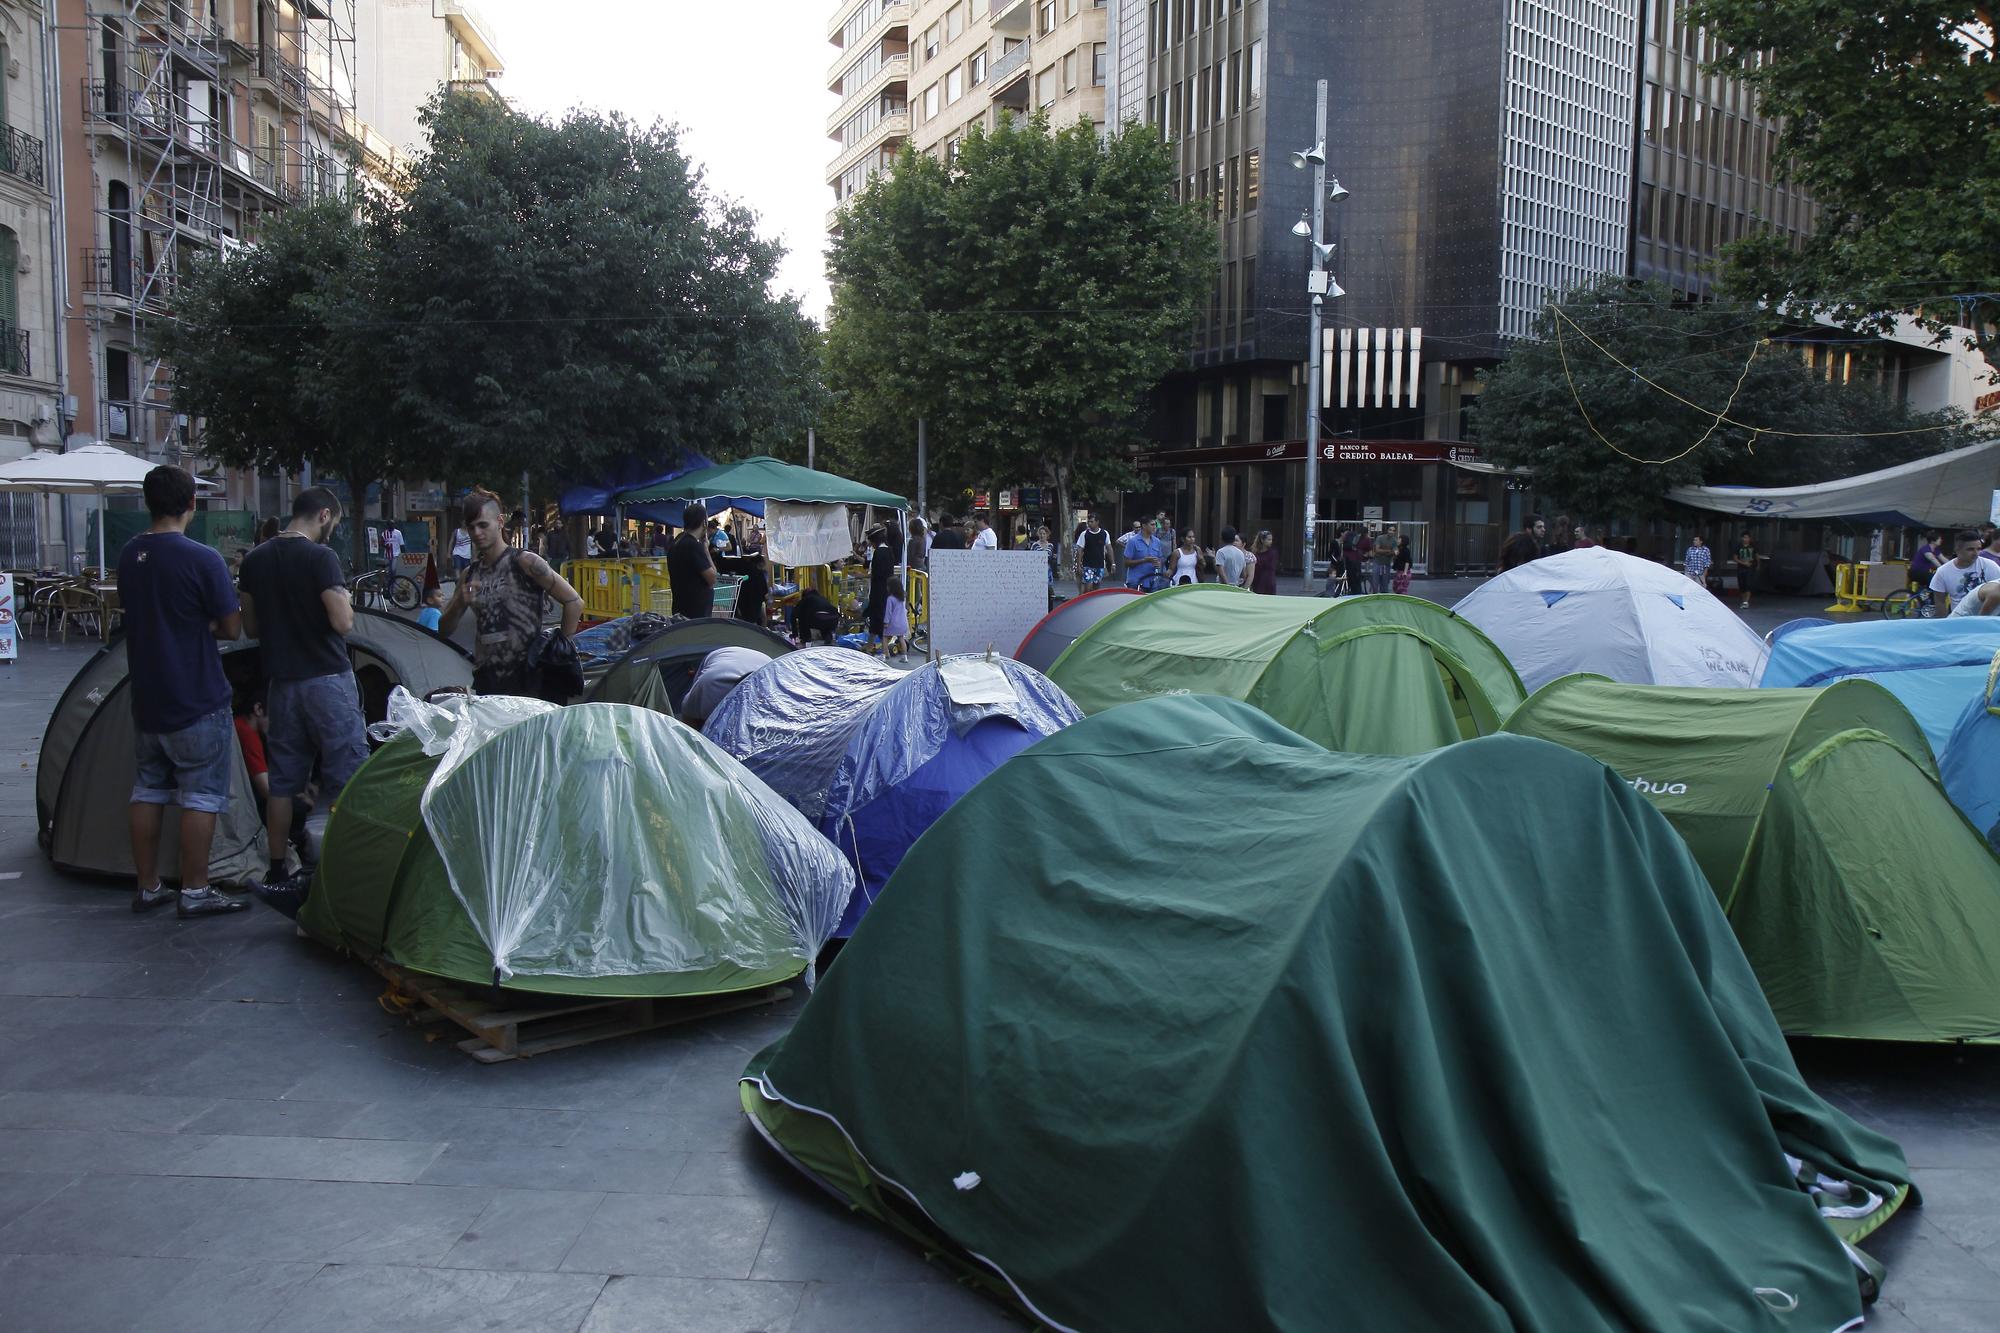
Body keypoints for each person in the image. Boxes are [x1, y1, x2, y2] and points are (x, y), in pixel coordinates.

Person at [117, 465, 247, 919]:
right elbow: (232, 627)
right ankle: (195, 891)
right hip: (196, 696)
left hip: (147, 699)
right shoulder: (202, 559)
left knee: (148, 789)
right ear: (192, 503)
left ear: (148, 503)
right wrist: (204, 623)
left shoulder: (129, 555)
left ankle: (148, 887)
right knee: (201, 795)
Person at [237, 485, 372, 906]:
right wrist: (343, 599)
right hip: (327, 681)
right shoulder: (321, 557)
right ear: (325, 515)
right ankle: (351, 868)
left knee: (283, 783)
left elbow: (251, 628)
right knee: (348, 777)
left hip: (282, 685)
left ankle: (278, 870)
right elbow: (343, 622)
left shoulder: (255, 560)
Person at [440, 487, 585, 697]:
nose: (477, 533)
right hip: (487, 683)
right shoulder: (469, 575)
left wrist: (559, 652)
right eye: (471, 527)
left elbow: (574, 602)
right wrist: (459, 602)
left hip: (529, 681)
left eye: (483, 525)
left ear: (499, 521)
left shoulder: (526, 562)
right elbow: (443, 630)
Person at [680, 647, 772, 729]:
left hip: (764, 661)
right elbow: (688, 720)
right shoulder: (708, 687)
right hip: (721, 656)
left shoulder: (773, 688)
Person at [661, 502, 719, 618]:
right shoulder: (693, 546)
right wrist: (706, 551)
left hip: (680, 607)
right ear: (704, 523)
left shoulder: (675, 543)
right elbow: (712, 578)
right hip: (696, 612)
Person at [1931, 531, 2000, 616]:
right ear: (1957, 549)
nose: (1976, 553)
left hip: (1987, 617)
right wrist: (1942, 626)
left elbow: (1997, 593)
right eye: (1970, 549)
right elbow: (1940, 603)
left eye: (1978, 549)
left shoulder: (1990, 566)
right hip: (1960, 618)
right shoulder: (1943, 572)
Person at [716, 529, 771, 627]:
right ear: (760, 564)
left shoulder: (743, 566)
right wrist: (768, 601)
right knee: (756, 620)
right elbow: (765, 595)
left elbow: (725, 564)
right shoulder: (759, 575)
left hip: (741, 602)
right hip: (753, 607)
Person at [865, 525, 894, 645]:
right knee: (880, 618)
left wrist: (862, 576)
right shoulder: (889, 550)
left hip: (878, 590)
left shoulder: (879, 553)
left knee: (876, 619)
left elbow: (876, 574)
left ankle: (882, 648)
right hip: (887, 589)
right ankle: (870, 645)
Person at [1074, 514, 1113, 592]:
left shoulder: (1104, 533)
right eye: (1088, 522)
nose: (1089, 523)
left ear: (1097, 522)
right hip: (1087, 565)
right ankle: (1087, 600)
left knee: (1096, 587)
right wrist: (1078, 566)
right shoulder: (1084, 534)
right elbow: (1080, 550)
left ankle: (1093, 601)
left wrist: (1113, 563)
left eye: (1092, 522)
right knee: (1088, 587)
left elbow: (1109, 548)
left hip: (1099, 564)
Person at [1121, 520, 1163, 589]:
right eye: (1152, 525)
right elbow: (1126, 563)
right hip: (1136, 582)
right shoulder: (1133, 541)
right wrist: (1144, 560)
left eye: (1155, 525)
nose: (1154, 527)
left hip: (1152, 582)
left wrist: (1158, 563)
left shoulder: (1157, 541)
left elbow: (1160, 559)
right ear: (1144, 525)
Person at [883, 575, 912, 661]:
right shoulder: (902, 598)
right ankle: (905, 657)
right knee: (901, 638)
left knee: (884, 637)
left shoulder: (890, 599)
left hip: (893, 623)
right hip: (902, 622)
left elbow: (888, 612)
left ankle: (886, 654)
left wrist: (886, 622)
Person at [1213, 525, 1249, 590]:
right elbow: (1244, 575)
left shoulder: (1221, 552)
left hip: (1222, 587)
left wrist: (1228, 587)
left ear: (1221, 538)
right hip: (1236, 586)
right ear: (1234, 538)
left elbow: (1221, 572)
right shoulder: (1241, 553)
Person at [1732, 531, 1759, 610]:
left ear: (1750, 539)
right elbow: (1735, 558)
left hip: (1750, 568)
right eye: (1744, 537)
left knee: (1748, 584)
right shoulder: (1738, 546)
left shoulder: (1753, 546)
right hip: (1741, 568)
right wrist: (1743, 563)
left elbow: (1757, 556)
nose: (1745, 539)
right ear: (1742, 538)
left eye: (1747, 537)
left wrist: (1758, 565)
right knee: (1742, 585)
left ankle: (1746, 602)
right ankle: (1743, 601)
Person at [1250, 530, 1279, 594]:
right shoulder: (1255, 553)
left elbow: (1271, 566)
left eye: (1271, 539)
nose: (1271, 542)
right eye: (1268, 539)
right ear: (1262, 540)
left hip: (1269, 581)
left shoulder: (1273, 553)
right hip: (1257, 580)